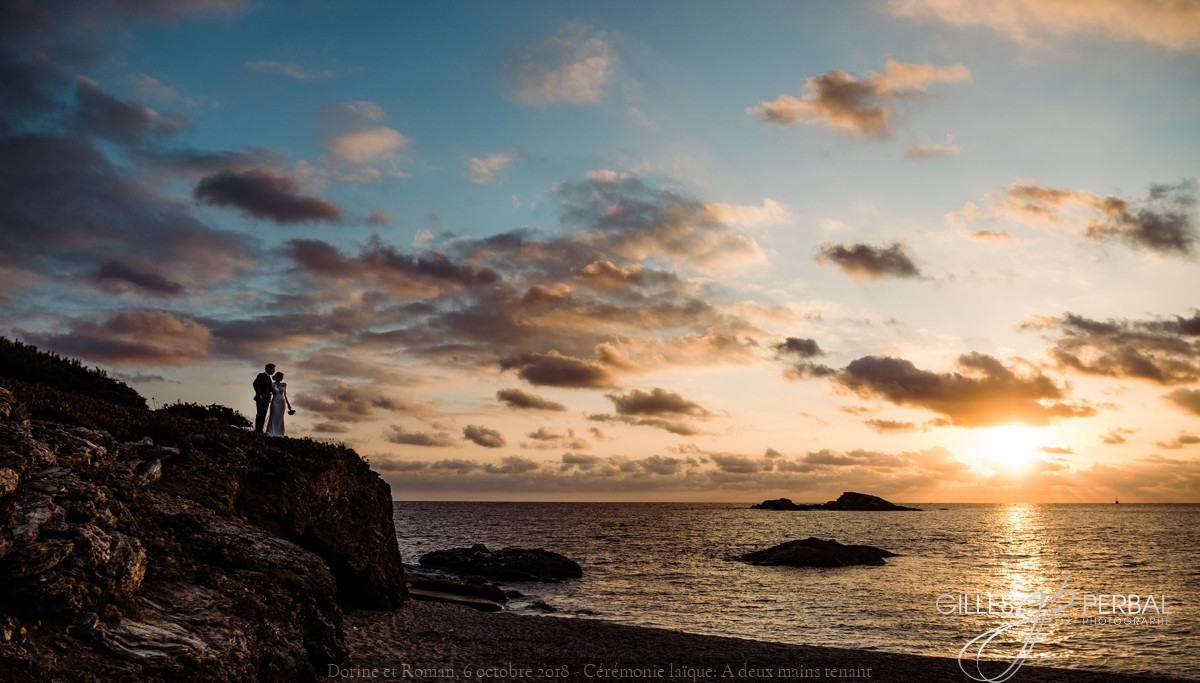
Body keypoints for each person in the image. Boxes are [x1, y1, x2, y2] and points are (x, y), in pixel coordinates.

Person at [264, 371, 294, 437]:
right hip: (274, 401)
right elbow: (269, 393)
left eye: (282, 377)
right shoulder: (272, 384)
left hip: (282, 402)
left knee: (280, 417)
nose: (281, 378)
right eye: (280, 376)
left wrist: (288, 404)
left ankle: (279, 432)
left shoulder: (284, 385)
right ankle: (271, 431)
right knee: (273, 416)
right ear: (277, 377)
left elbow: (285, 395)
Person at [253, 363, 276, 433]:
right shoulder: (261, 375)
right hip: (261, 398)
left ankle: (260, 429)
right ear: (268, 369)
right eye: (273, 369)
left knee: (264, 413)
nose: (274, 371)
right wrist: (259, 394)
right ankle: (257, 429)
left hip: (266, 399)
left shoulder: (269, 377)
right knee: (260, 413)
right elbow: (255, 384)